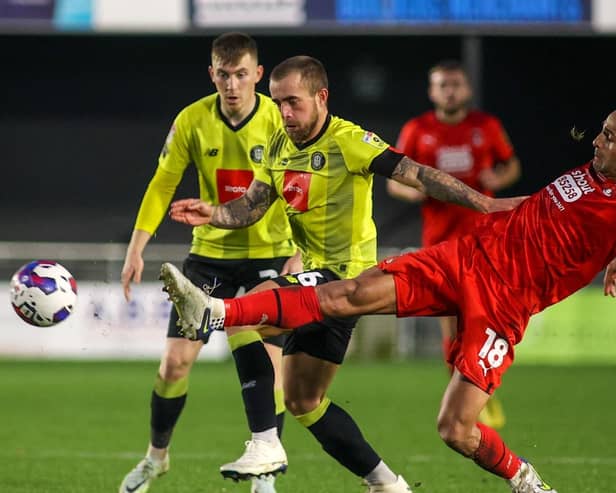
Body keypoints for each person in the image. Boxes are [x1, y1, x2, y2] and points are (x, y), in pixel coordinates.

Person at [162, 110, 616, 493]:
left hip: (505, 303)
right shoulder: (594, 171)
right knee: (351, 293)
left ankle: (524, 479)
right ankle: (215, 311)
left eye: (610, 137)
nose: (597, 139)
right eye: (602, 128)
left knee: (455, 429)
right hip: (465, 258)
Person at [118, 32, 301, 493]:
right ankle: (156, 458)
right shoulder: (192, 120)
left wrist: (298, 256)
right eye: (224, 74)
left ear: (259, 75)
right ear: (212, 74)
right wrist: (137, 247)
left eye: (242, 74)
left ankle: (265, 476)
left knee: (269, 366)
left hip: (272, 254)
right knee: (173, 366)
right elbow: (163, 184)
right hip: (210, 256)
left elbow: (303, 189)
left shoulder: (281, 122)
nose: (233, 84)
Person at [387, 60, 521, 429]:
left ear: (467, 89)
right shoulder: (417, 130)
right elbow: (393, 180)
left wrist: (499, 175)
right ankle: (462, 397)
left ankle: (482, 391)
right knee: (451, 328)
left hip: (487, 242)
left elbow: (512, 165)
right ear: (432, 92)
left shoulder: (486, 127)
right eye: (442, 85)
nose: (450, 91)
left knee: (485, 321)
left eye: (455, 84)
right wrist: (412, 189)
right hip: (441, 245)